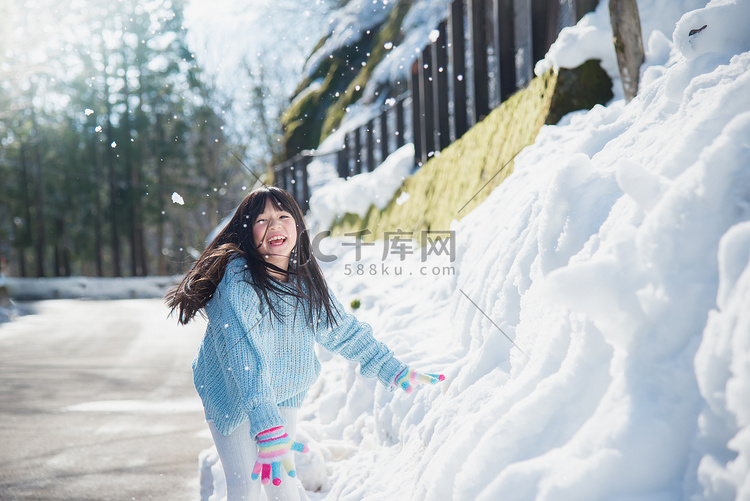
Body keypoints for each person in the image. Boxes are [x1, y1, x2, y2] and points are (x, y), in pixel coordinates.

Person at [166, 186, 444, 501]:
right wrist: (267, 429)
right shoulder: (238, 282)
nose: (275, 226)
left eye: (283, 216)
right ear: (247, 233)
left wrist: (392, 369)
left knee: (282, 482)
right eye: (263, 220)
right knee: (246, 487)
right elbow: (244, 357)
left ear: (298, 226)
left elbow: (344, 331)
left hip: (283, 389)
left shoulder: (305, 282)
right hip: (232, 392)